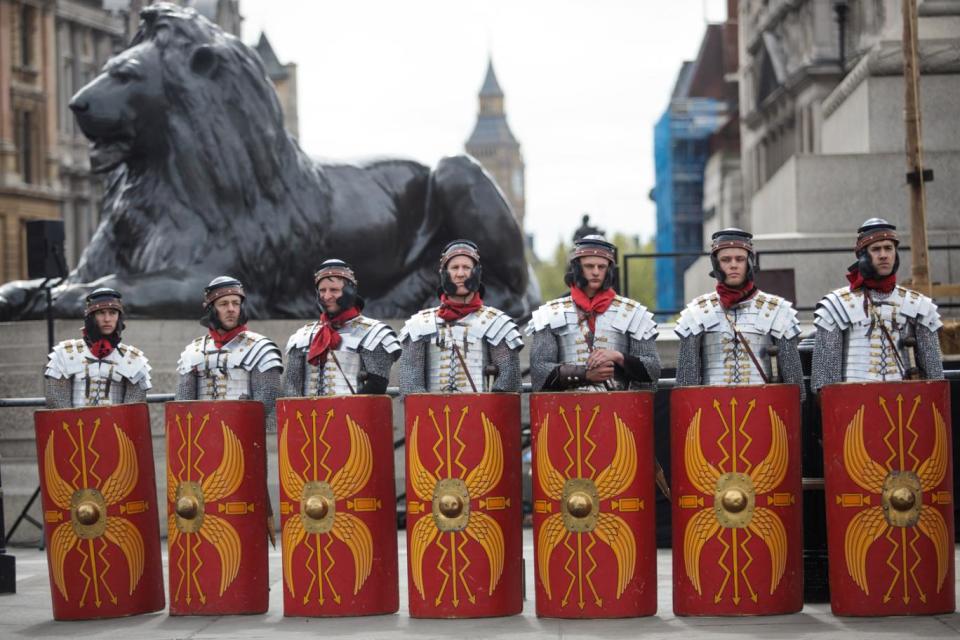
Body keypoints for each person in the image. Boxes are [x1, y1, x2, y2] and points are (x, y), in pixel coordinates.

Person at [811, 218, 943, 392]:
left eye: (889, 248)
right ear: (863, 256)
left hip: (906, 406)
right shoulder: (836, 306)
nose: (883, 255)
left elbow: (934, 378)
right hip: (855, 406)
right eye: (876, 249)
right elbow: (825, 383)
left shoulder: (918, 306)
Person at [675, 228, 803, 397]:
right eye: (726, 259)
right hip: (712, 412)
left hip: (764, 412)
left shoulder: (778, 311)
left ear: (749, 262)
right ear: (716, 264)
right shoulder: (697, 313)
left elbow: (794, 385)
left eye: (740, 259)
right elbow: (686, 385)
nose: (733, 264)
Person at [528, 235, 660, 391]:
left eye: (601, 267)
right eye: (589, 266)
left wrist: (618, 357)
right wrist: (585, 375)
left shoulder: (633, 313)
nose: (596, 272)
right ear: (578, 268)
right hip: (567, 409)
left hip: (619, 410)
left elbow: (653, 369)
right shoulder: (550, 314)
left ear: (609, 269)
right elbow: (539, 371)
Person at [398, 240, 522, 393]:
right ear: (444, 273)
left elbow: (508, 382)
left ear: (476, 273)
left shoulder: (496, 323)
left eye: (467, 268)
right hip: (433, 415)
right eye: (454, 268)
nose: (460, 274)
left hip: (481, 414)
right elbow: (411, 384)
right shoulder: (420, 325)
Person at [175, 276, 283, 429]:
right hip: (202, 436)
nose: (231, 309)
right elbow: (183, 403)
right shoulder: (193, 351)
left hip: (244, 434)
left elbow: (268, 396)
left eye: (236, 303)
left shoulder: (260, 348)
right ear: (211, 309)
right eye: (224, 304)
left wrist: (244, 416)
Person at [284, 259, 400, 396]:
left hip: (353, 416)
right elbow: (292, 388)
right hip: (310, 416)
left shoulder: (374, 334)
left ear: (349, 291)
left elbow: (376, 386)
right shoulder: (303, 337)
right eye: (322, 290)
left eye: (334, 290)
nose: (326, 296)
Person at [44, 288, 152, 407]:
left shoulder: (133, 359)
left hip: (116, 425)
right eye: (101, 313)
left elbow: (133, 409)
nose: (107, 319)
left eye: (112, 313)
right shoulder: (65, 353)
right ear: (91, 317)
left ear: (119, 317)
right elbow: (57, 401)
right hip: (76, 425)